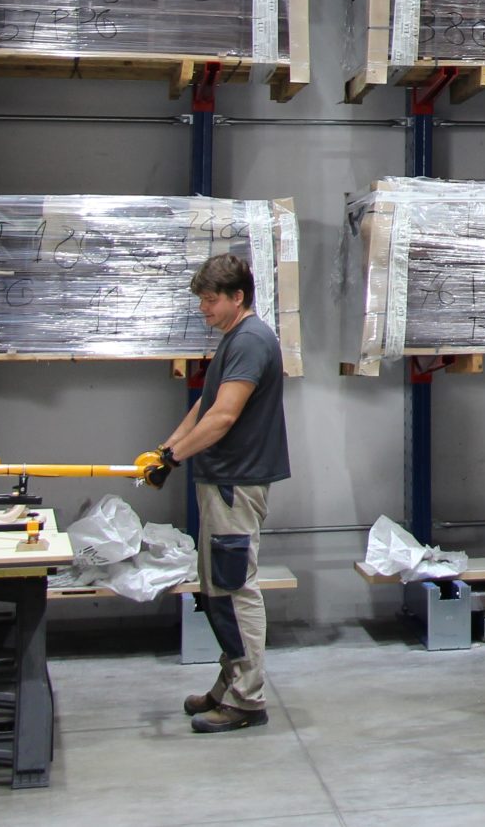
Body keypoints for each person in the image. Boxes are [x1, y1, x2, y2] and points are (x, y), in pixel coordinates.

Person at [148, 252, 290, 734]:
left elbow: (225, 417)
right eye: (202, 300)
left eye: (211, 300)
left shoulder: (250, 341)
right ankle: (228, 684)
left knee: (234, 590)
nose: (204, 309)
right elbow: (206, 409)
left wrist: (174, 458)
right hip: (222, 479)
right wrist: (166, 450)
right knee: (216, 592)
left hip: (236, 481)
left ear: (238, 297)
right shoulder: (235, 339)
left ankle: (247, 700)